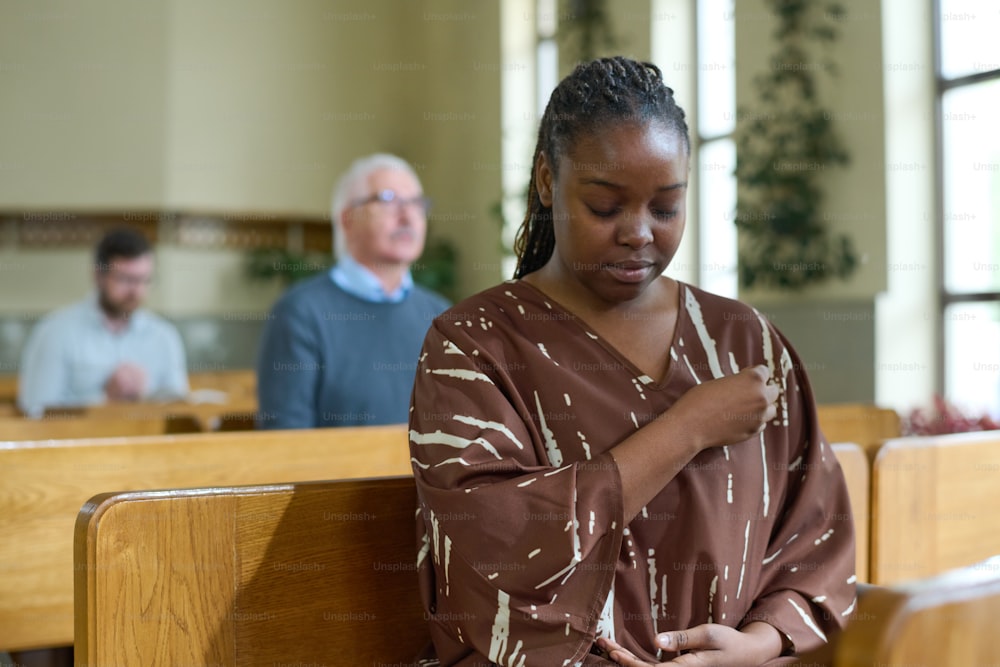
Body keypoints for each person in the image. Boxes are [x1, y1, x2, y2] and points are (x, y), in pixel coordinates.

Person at [409, 57, 856, 667]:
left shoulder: (744, 341)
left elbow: (816, 537)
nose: (639, 233)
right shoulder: (475, 344)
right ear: (547, 180)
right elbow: (492, 544)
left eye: (666, 207)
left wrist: (755, 646)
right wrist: (688, 426)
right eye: (605, 207)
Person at [256, 153, 449, 429]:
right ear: (348, 219)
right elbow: (286, 442)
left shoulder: (439, 314)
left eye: (416, 204)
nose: (407, 216)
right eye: (388, 200)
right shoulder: (300, 313)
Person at [17, 228, 189, 418]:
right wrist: (104, 399)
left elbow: (179, 412)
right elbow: (35, 414)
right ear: (98, 275)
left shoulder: (164, 336)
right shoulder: (55, 332)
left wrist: (145, 399)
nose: (136, 291)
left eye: (144, 280)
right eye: (125, 279)